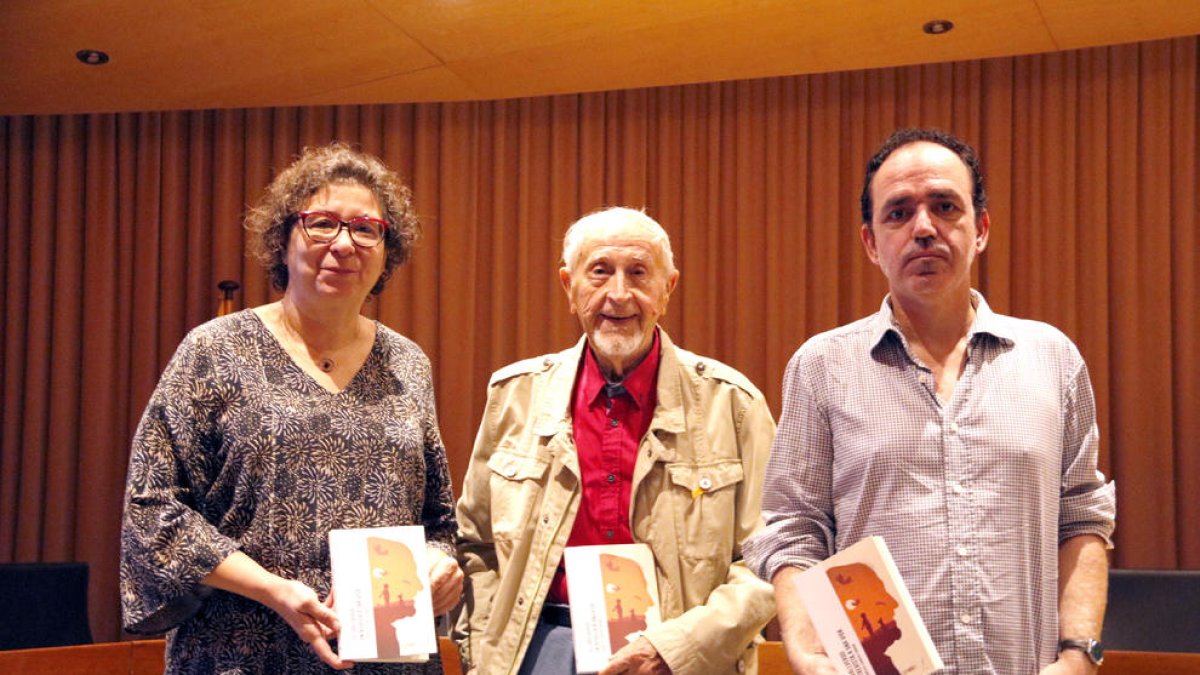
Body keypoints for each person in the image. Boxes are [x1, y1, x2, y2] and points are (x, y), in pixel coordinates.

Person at [743, 128, 1116, 674]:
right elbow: (793, 528)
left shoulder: (1052, 357)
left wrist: (1079, 655)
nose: (924, 228)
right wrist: (804, 647)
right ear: (871, 242)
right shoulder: (820, 367)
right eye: (898, 213)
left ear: (980, 228)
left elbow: (1082, 515)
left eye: (945, 206)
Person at [120, 142, 463, 674]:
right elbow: (152, 506)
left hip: (386, 661)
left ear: (386, 252)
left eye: (366, 228)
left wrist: (441, 569)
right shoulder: (215, 349)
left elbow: (437, 521)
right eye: (322, 223)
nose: (344, 244)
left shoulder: (408, 363)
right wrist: (275, 590)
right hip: (242, 653)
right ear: (283, 240)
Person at [453, 207, 776, 675]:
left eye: (639, 274)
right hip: (539, 645)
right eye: (600, 272)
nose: (619, 294)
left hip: (677, 655)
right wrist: (484, 650)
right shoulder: (514, 395)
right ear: (569, 286)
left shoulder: (734, 405)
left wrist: (679, 649)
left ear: (668, 289)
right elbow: (476, 544)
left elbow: (767, 560)